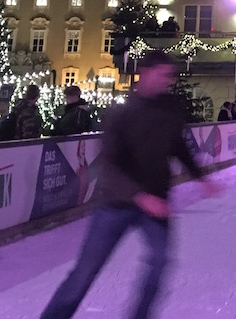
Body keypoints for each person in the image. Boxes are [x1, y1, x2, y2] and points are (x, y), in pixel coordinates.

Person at [40, 50, 221, 319]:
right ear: (145, 73)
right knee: (85, 271)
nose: (167, 81)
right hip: (116, 204)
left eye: (170, 76)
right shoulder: (120, 113)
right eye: (163, 74)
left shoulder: (169, 109)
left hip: (156, 201)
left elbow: (178, 146)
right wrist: (140, 196)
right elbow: (110, 165)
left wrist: (201, 177)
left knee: (159, 262)